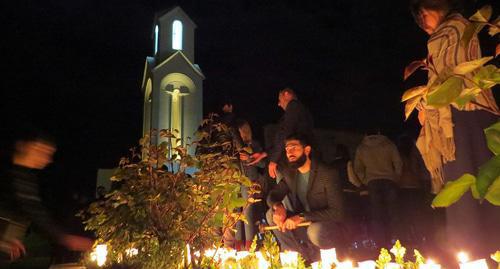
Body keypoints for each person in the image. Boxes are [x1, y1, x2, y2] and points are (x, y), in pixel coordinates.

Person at [410, 0, 500, 258]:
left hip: (459, 115)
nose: (425, 29)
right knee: (488, 186)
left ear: (427, 12)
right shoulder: (465, 26)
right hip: (480, 112)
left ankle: (474, 256)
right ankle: (492, 254)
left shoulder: (446, 31)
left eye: (422, 21)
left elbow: (444, 76)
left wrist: (427, 106)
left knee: (464, 195)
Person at [0, 131, 93, 263]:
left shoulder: (22, 176)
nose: (48, 159)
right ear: (23, 146)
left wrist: (7, 238)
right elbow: (34, 212)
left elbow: (24, 210)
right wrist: (66, 239)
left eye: (49, 154)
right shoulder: (14, 176)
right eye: (42, 151)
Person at [266, 134, 344, 263]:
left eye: (294, 148)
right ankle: (300, 260)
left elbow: (337, 212)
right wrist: (277, 207)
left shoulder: (327, 173)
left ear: (307, 150)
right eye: (287, 149)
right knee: (271, 215)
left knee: (314, 230)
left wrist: (301, 217)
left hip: (327, 227)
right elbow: (273, 196)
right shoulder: (291, 175)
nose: (289, 152)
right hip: (304, 226)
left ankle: (328, 261)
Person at [353, 130, 402, 248]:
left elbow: (358, 168)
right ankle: (397, 242)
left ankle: (381, 245)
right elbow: (398, 162)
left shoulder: (361, 148)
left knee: (377, 215)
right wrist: (395, 177)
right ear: (380, 131)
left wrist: (365, 180)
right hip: (389, 181)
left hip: (372, 183)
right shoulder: (389, 144)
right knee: (393, 213)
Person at [266, 88, 314, 179]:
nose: (279, 104)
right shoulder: (300, 111)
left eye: (279, 100)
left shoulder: (294, 105)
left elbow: (285, 133)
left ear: (287, 94)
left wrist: (273, 160)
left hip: (294, 162)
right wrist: (265, 153)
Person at [236, 120, 268, 249]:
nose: (240, 135)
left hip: (250, 181)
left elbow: (263, 163)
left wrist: (250, 158)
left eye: (241, 132)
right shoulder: (235, 147)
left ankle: (251, 246)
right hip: (237, 181)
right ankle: (239, 246)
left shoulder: (254, 145)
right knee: (238, 215)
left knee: (248, 213)